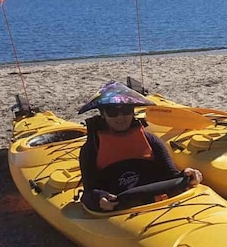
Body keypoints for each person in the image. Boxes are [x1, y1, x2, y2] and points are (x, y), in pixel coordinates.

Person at [78, 82, 202, 211]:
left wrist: (187, 174)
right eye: (112, 111)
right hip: (120, 209)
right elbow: (89, 192)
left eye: (126, 110)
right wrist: (99, 198)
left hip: (156, 202)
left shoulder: (151, 141)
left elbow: (172, 176)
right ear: (103, 115)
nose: (120, 117)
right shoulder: (92, 148)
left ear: (133, 112)